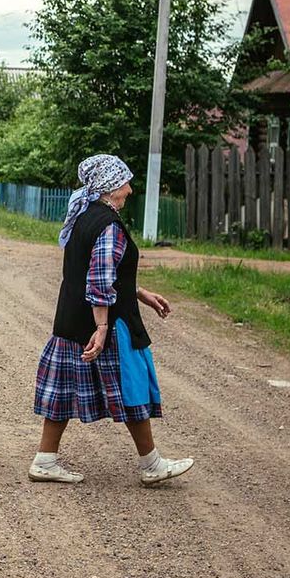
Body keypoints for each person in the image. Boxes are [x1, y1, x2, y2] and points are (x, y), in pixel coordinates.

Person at [29, 154, 194, 487]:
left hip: (71, 319)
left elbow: (100, 271)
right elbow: (100, 280)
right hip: (107, 322)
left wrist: (140, 293)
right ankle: (152, 465)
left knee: (63, 389)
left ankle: (45, 460)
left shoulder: (85, 216)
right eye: (125, 183)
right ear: (110, 186)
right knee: (130, 389)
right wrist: (102, 327)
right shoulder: (109, 225)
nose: (130, 190)